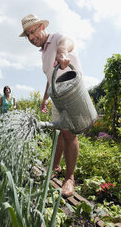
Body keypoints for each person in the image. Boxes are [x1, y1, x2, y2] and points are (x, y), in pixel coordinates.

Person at [19, 14, 83, 197]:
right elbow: (50, 77)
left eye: (33, 32)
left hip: (71, 93)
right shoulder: (44, 53)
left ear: (41, 26)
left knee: (69, 134)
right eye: (28, 35)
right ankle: (55, 166)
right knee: (59, 132)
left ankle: (69, 179)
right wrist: (45, 97)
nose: (31, 38)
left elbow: (66, 42)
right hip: (57, 95)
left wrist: (62, 53)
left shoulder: (56, 38)